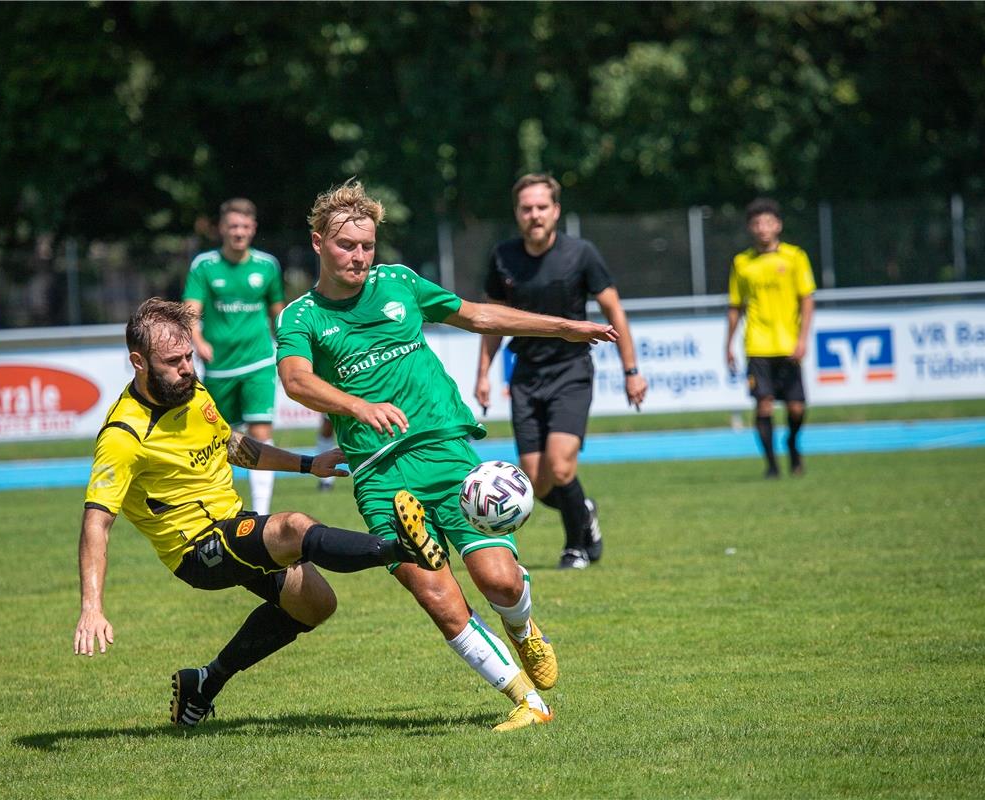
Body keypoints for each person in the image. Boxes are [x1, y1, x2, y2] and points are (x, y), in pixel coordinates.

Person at [277, 180, 620, 731]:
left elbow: (479, 315)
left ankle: (524, 626)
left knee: (499, 580)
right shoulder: (301, 317)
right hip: (379, 477)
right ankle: (528, 702)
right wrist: (358, 407)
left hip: (444, 454)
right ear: (318, 243)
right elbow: (296, 381)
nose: (360, 256)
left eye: (367, 245)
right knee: (437, 595)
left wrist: (565, 328)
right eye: (347, 246)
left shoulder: (399, 283)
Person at [73, 298, 446, 727]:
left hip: (232, 524)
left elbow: (234, 445)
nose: (188, 368)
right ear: (139, 362)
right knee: (293, 527)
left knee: (316, 605)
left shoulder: (190, 391)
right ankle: (401, 547)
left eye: (190, 356)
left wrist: (308, 464)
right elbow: (96, 523)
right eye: (173, 361)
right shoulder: (123, 436)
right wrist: (91, 607)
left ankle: (204, 683)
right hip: (197, 550)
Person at [474, 173, 647, 571]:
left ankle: (576, 546)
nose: (534, 215)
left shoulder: (581, 254)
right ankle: (583, 508)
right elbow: (492, 321)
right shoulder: (503, 256)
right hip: (526, 376)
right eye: (526, 208)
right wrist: (483, 374)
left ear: (556, 211)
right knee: (536, 481)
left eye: (541, 207)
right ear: (517, 214)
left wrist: (631, 370)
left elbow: (614, 311)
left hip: (570, 372)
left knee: (561, 465)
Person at [183, 198, 286, 515]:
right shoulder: (204, 266)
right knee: (216, 439)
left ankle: (262, 513)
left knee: (260, 431)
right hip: (219, 369)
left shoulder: (267, 266)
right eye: (232, 226)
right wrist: (197, 338)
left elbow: (277, 313)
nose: (238, 232)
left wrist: (288, 348)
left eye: (244, 226)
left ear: (253, 229)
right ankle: (214, 505)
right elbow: (190, 309)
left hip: (258, 362)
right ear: (222, 229)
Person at [725, 197, 817, 478]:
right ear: (750, 228)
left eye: (768, 222)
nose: (762, 228)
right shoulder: (742, 263)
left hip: (788, 345)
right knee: (763, 404)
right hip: (757, 346)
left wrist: (802, 340)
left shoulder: (794, 257)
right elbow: (735, 307)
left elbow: (807, 301)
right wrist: (728, 344)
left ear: (778, 225)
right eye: (757, 223)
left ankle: (791, 444)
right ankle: (772, 465)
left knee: (796, 408)